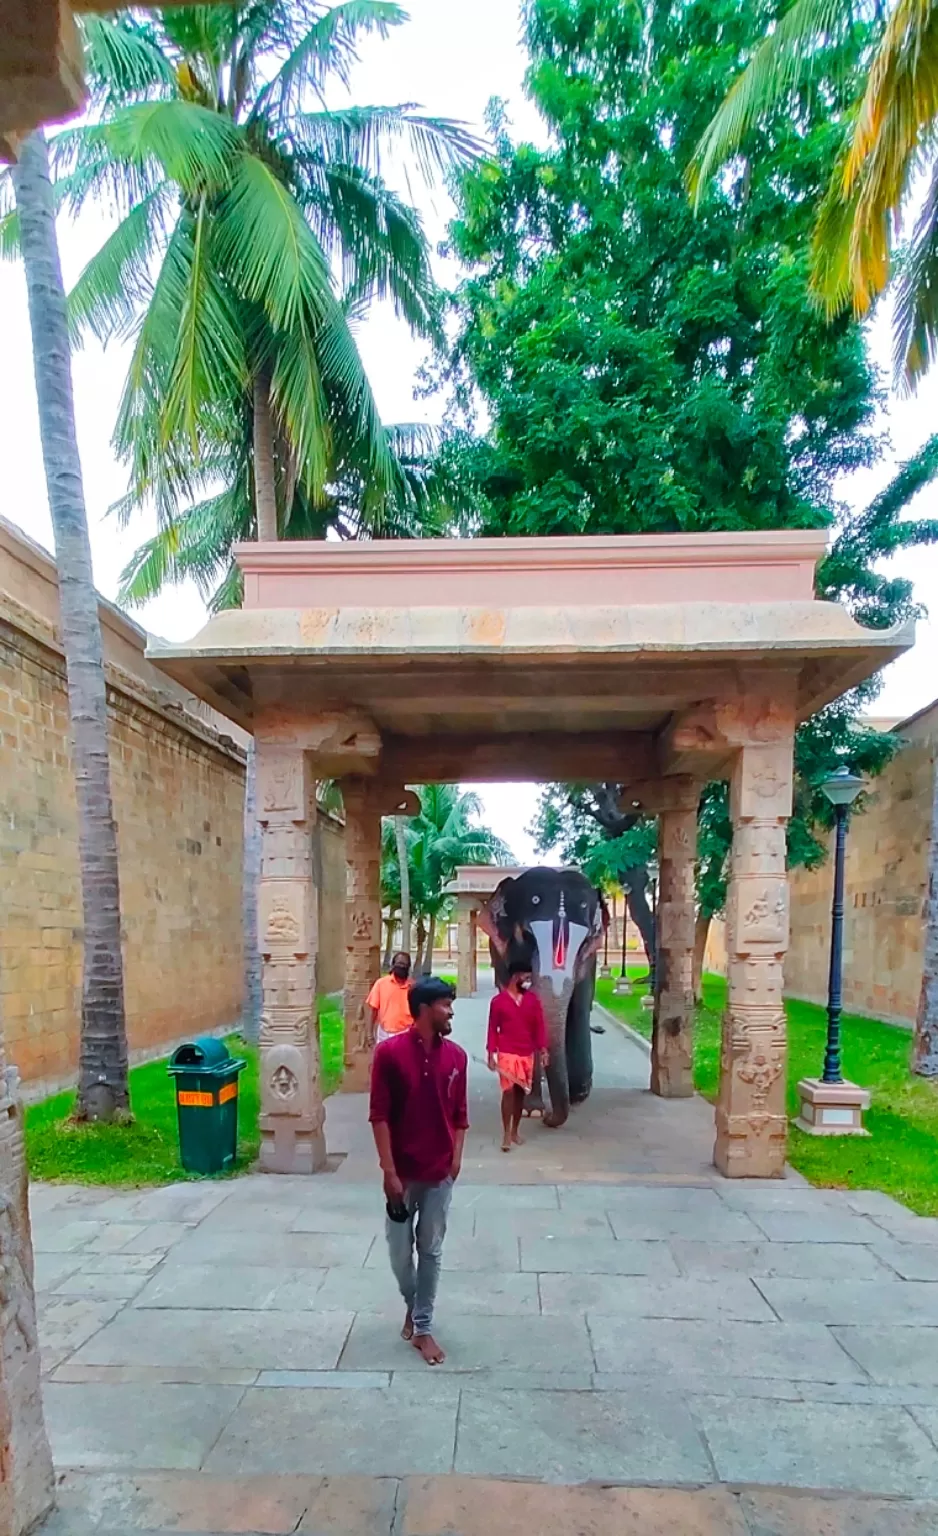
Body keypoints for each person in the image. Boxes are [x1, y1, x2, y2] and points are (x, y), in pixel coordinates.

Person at [369, 976, 467, 1366]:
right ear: (425, 1010)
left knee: (431, 1249)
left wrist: (456, 1159)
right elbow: (379, 1116)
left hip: (440, 1171)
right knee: (398, 1252)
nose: (451, 1011)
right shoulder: (390, 1055)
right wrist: (388, 1170)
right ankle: (413, 1303)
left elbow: (460, 1116)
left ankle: (422, 1326)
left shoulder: (456, 1056)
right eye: (445, 1004)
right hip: (402, 1172)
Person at [486, 960, 549, 1152]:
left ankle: (515, 1131)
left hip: (526, 1053)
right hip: (506, 1053)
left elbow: (539, 1027)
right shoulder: (498, 1002)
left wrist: (544, 1050)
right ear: (515, 977)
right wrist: (491, 1053)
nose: (528, 981)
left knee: (521, 1093)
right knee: (508, 1092)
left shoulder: (532, 1001)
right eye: (526, 977)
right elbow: (492, 1028)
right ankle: (506, 1134)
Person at [366, 952, 413, 1045]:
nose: (402, 966)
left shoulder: (413, 987)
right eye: (399, 963)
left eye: (404, 964)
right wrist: (369, 1033)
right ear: (393, 965)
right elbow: (373, 1010)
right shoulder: (381, 983)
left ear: (408, 967)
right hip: (384, 1033)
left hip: (406, 1033)